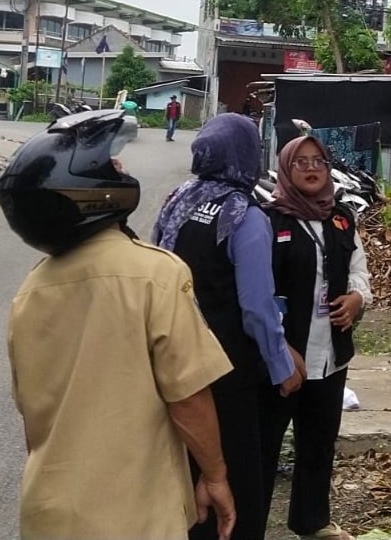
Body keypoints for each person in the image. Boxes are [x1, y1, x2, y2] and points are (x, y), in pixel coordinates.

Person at [0, 110, 237, 540]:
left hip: (47, 512)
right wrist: (214, 475)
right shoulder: (155, 274)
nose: (120, 169)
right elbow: (188, 397)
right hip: (132, 514)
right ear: (90, 192)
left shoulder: (30, 291)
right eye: (111, 165)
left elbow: (32, 415)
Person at [153, 113, 305, 540]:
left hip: (173, 359)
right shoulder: (243, 214)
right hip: (226, 371)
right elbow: (256, 306)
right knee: (232, 482)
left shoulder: (176, 200)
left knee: (184, 472)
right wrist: (280, 366)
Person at [263, 136, 373, 540]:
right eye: (301, 163)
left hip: (331, 353)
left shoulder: (342, 218)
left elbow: (360, 269)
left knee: (319, 441)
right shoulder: (270, 219)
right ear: (287, 170)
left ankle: (312, 521)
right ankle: (249, 523)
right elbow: (258, 291)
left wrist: (357, 297)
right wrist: (276, 345)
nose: (311, 169)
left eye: (319, 162)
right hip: (283, 354)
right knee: (265, 444)